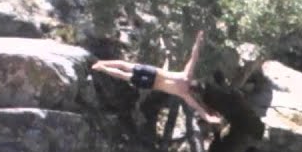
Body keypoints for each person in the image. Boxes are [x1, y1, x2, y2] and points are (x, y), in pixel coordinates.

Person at [91, 30, 223, 125]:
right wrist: (210, 118)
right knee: (125, 75)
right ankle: (102, 68)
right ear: (194, 91)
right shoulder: (185, 94)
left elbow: (194, 57)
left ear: (195, 82)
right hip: (152, 83)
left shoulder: (186, 75)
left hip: (154, 72)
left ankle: (102, 63)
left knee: (126, 66)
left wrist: (198, 41)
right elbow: (199, 109)